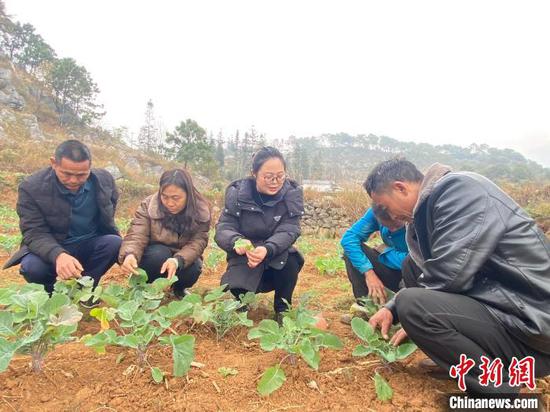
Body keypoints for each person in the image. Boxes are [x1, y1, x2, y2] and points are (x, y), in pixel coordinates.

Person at [365, 158, 550, 394]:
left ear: (401, 187)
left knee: (412, 304)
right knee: (413, 267)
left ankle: (505, 390)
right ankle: (462, 360)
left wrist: (402, 309)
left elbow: (450, 275)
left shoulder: (458, 191)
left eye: (384, 206)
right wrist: (391, 308)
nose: (386, 214)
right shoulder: (425, 214)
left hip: (532, 329)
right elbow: (434, 271)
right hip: (507, 314)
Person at [3, 140, 122, 298]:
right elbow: (34, 232)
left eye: (81, 175)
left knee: (114, 243)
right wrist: (58, 254)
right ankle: (50, 295)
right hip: (52, 245)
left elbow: (109, 209)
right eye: (66, 174)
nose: (73, 180)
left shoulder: (104, 180)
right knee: (32, 267)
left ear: (90, 166)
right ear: (54, 163)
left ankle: (84, 290)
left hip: (89, 243)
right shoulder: (32, 187)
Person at [214, 146, 304, 323]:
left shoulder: (291, 195)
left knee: (291, 260)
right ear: (254, 173)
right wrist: (237, 241)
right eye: (268, 177)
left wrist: (268, 248)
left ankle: (282, 308)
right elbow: (224, 227)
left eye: (280, 176)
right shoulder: (237, 194)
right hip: (246, 256)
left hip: (274, 255)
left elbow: (289, 229)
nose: (275, 182)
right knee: (237, 286)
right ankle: (242, 303)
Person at [118, 168, 210, 297]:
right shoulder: (149, 205)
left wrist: (177, 260)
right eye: (164, 197)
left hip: (180, 258)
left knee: (193, 268)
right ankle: (142, 285)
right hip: (154, 256)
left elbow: (198, 242)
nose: (170, 203)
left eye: (176, 198)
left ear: (188, 195)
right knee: (158, 254)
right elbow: (137, 234)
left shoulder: (201, 211)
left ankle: (179, 288)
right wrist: (130, 254)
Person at [340, 204, 418, 323]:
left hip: (416, 277)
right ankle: (365, 310)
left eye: (397, 225)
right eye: (387, 225)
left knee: (411, 264)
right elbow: (349, 239)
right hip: (394, 272)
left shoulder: (415, 213)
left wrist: (384, 251)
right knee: (352, 252)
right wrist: (369, 273)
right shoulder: (377, 211)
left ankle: (403, 316)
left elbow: (417, 258)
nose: (393, 230)